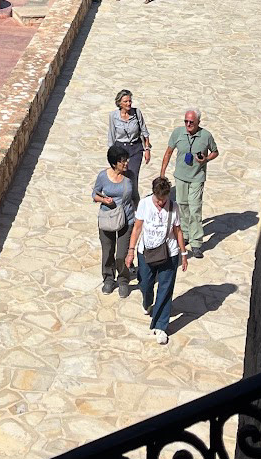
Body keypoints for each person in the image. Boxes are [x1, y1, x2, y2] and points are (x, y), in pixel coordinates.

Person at [127, 176, 189, 344]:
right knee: (145, 283)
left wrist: (183, 254)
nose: (161, 203)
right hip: (145, 252)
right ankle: (147, 302)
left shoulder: (173, 207)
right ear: (153, 194)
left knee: (166, 288)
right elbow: (137, 228)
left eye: (164, 200)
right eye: (158, 200)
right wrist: (131, 251)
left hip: (169, 253)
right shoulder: (145, 204)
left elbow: (178, 231)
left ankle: (161, 325)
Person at [160, 108, 219, 260]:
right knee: (182, 207)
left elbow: (215, 151)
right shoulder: (178, 133)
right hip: (180, 177)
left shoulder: (206, 136)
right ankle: (185, 234)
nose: (188, 124)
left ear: (198, 122)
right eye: (185, 121)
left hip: (197, 178)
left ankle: (196, 242)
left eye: (191, 122)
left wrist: (206, 159)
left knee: (195, 209)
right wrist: (162, 173)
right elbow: (168, 152)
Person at [93, 143, 136, 297]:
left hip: (127, 219)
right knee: (108, 251)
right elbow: (95, 194)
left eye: (126, 160)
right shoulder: (103, 177)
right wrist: (105, 201)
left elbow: (135, 195)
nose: (126, 163)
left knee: (121, 255)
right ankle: (108, 279)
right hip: (107, 219)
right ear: (113, 163)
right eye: (122, 161)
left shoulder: (130, 176)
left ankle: (123, 280)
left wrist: (140, 215)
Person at [107, 89, 151, 204]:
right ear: (119, 103)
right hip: (120, 148)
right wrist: (111, 155)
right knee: (121, 175)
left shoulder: (137, 113)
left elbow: (144, 132)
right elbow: (111, 135)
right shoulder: (113, 116)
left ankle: (135, 201)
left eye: (130, 101)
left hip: (135, 148)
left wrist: (147, 149)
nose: (129, 104)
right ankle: (122, 201)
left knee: (132, 175)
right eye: (126, 101)